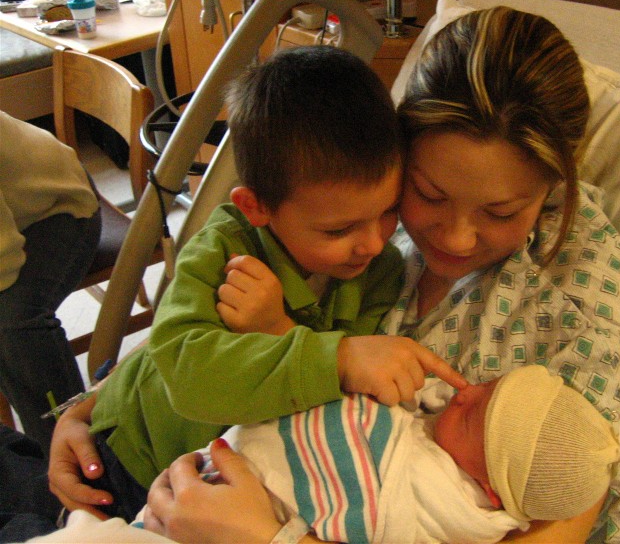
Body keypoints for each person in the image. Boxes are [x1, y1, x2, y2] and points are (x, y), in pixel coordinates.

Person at [55, 7, 620, 543]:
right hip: (147, 462)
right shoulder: (369, 215)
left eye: (501, 212)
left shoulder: (590, 317)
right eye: (426, 194)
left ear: (553, 186)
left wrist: (271, 539)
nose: (453, 238)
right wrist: (94, 411)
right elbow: (214, 342)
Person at [45, 46, 466, 523]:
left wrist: (278, 329)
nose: (372, 243)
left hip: (214, 474)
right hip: (130, 455)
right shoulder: (224, 250)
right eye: (338, 230)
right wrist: (338, 357)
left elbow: (340, 397)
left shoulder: (382, 270)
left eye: (388, 211)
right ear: (256, 207)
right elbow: (186, 373)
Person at [137, 365, 620, 544]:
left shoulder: (447, 504)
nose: (464, 393)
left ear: (490, 489)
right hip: (194, 486)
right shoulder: (445, 427)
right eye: (486, 385)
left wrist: (271, 536)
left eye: (474, 417)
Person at [0, 111, 101, 455]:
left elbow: (4, 260)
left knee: (13, 322)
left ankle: (69, 449)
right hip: (13, 201)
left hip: (59, 201)